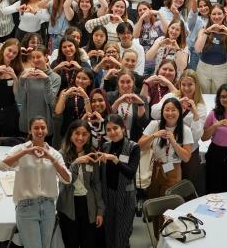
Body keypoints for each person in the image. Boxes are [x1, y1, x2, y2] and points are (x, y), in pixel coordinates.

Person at [0, 116, 71, 248]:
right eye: (36, 128)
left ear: (47, 130)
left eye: (43, 127)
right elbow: (1, 165)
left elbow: (67, 179)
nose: (40, 131)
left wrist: (50, 158)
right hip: (26, 207)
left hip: (48, 207)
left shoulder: (54, 153)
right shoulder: (20, 149)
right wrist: (25, 152)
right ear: (30, 130)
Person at [138, 97, 193, 237]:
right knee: (156, 205)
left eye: (173, 110)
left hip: (173, 170)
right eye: (167, 110)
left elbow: (186, 157)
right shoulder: (154, 124)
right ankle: (158, 239)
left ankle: (170, 238)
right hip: (156, 169)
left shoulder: (185, 130)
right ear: (162, 112)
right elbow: (140, 145)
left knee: (170, 206)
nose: (170, 113)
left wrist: (174, 142)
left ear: (180, 112)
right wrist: (153, 135)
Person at [58, 120, 104, 248]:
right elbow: (65, 182)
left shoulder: (92, 155)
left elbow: (96, 184)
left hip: (88, 205)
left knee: (88, 242)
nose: (80, 137)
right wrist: (75, 163)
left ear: (89, 136)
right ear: (70, 135)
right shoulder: (60, 155)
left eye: (84, 134)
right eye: (77, 133)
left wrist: (100, 210)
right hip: (68, 205)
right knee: (71, 242)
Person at [99, 115, 141, 248]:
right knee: (109, 234)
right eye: (109, 129)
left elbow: (130, 173)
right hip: (108, 196)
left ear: (123, 128)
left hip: (126, 197)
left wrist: (115, 160)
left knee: (121, 236)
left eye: (115, 128)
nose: (112, 132)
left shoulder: (133, 147)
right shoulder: (105, 146)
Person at [193, 4, 227, 93]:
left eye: (219, 14)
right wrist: (207, 31)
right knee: (203, 95)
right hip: (203, 68)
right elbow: (197, 49)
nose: (216, 17)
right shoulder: (203, 30)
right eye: (214, 14)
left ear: (224, 15)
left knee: (219, 96)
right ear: (210, 16)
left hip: (221, 69)